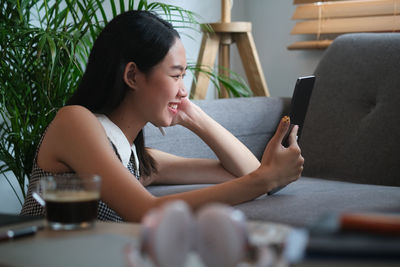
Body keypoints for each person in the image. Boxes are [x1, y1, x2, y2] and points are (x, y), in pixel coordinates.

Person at [21, 10, 304, 222]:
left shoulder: (136, 161)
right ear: (132, 75)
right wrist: (266, 178)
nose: (183, 89)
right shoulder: (75, 122)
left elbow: (247, 172)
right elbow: (146, 212)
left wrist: (195, 116)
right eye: (176, 75)